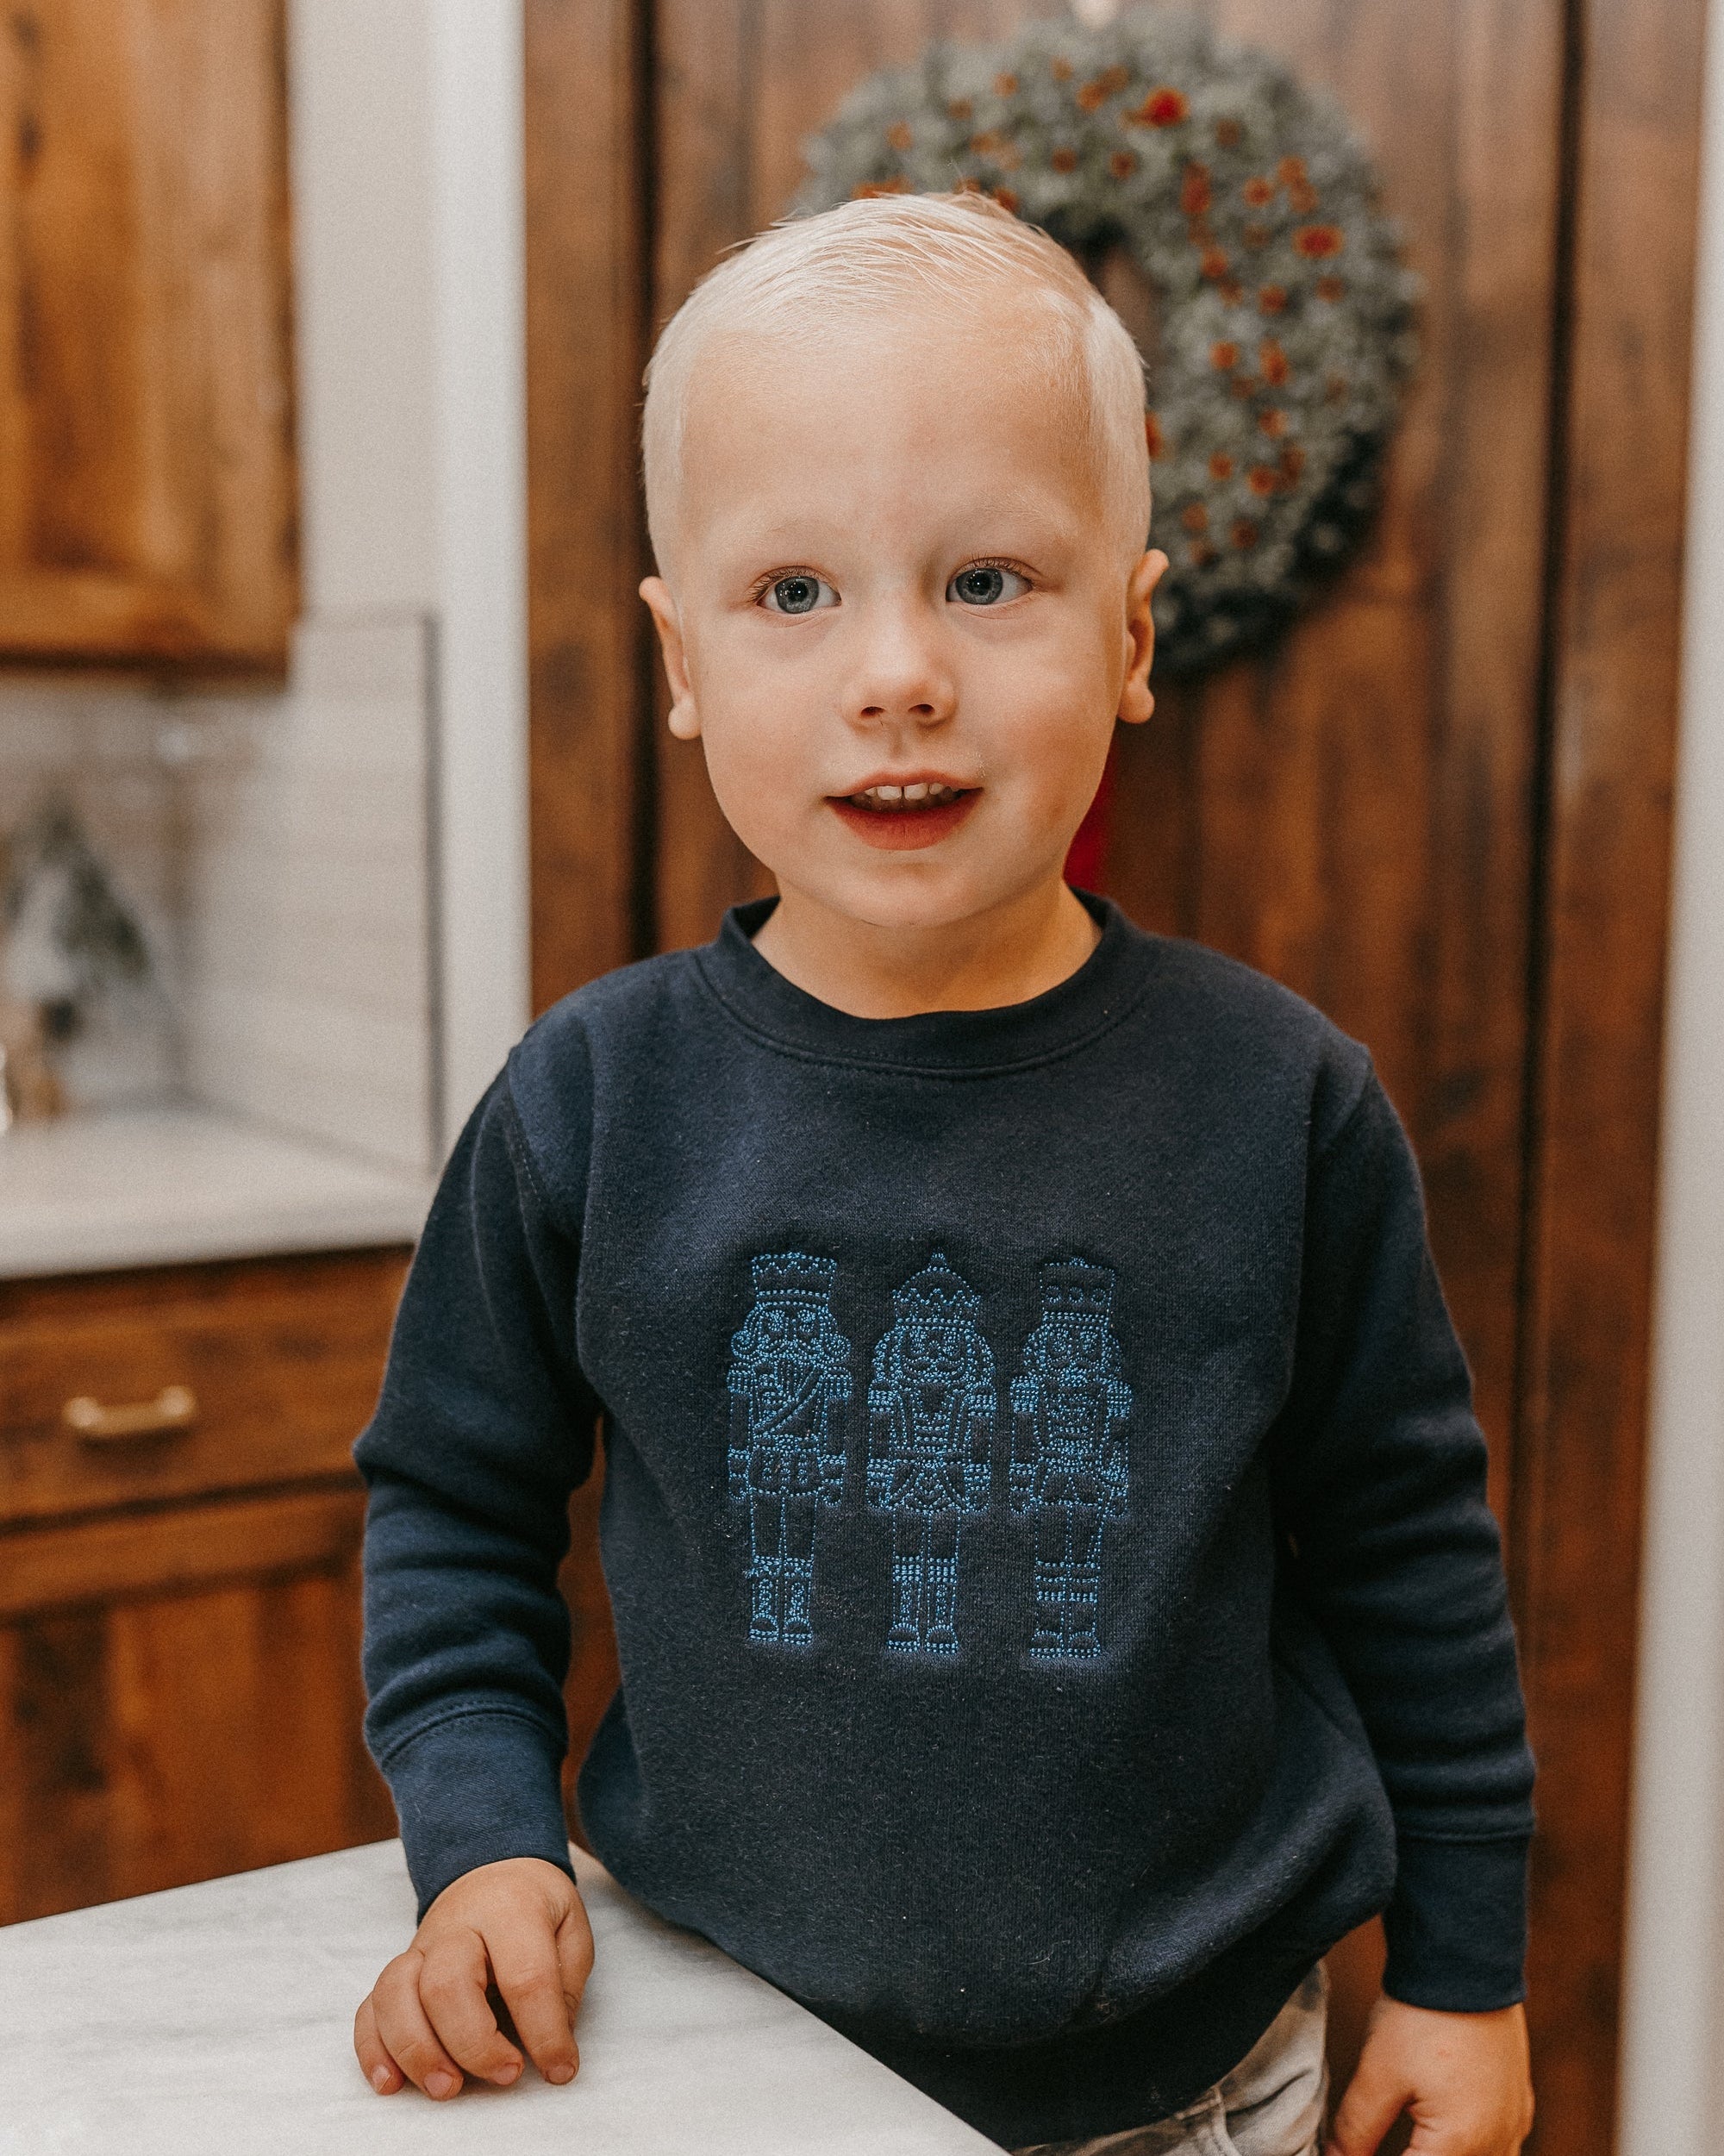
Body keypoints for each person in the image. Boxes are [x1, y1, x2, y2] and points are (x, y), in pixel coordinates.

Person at [349, 193, 1536, 2156]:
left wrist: (1464, 1971)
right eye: (794, 592)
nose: (896, 672)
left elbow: (1409, 1559)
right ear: (680, 659)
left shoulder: (1285, 1104)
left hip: (1211, 2071)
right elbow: (456, 1510)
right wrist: (479, 1844)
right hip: (727, 2048)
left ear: (1131, 634)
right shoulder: (590, 1100)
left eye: (987, 580)